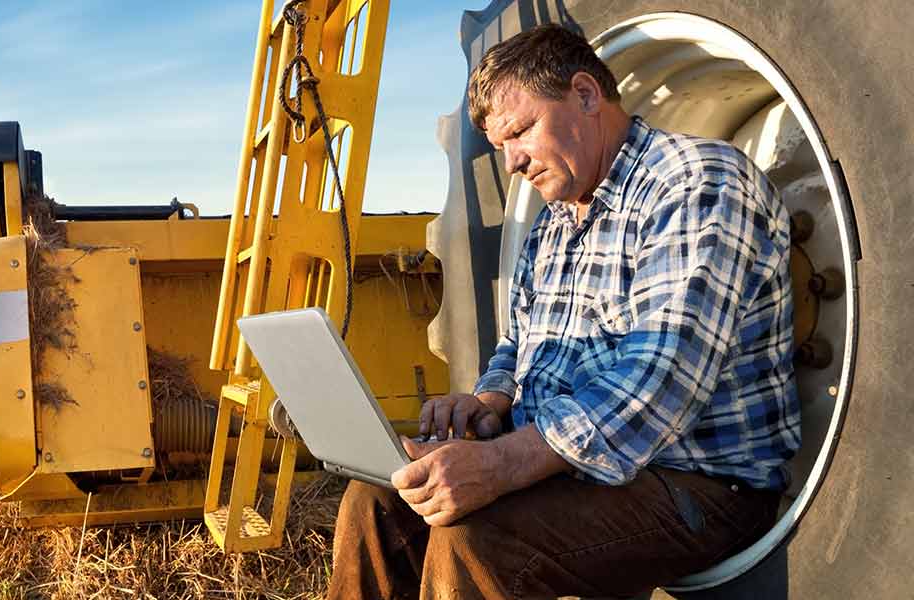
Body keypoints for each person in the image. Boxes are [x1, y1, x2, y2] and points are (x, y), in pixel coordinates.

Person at [327, 24, 799, 599]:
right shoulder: (555, 223)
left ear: (585, 95)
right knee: (375, 502)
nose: (513, 162)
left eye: (522, 130)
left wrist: (498, 465)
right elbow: (517, 344)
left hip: (694, 482)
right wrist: (489, 402)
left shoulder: (696, 184)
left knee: (475, 539)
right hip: (578, 469)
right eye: (501, 146)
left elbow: (658, 382)